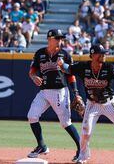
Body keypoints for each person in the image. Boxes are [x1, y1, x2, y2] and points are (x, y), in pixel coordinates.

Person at [27, 29, 81, 161]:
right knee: (32, 116)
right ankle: (42, 146)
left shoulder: (65, 55)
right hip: (44, 91)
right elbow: (32, 71)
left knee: (65, 123)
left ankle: (82, 149)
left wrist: (76, 93)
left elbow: (71, 75)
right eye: (57, 38)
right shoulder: (40, 54)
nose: (60, 41)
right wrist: (34, 77)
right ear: (50, 39)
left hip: (60, 92)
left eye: (61, 39)